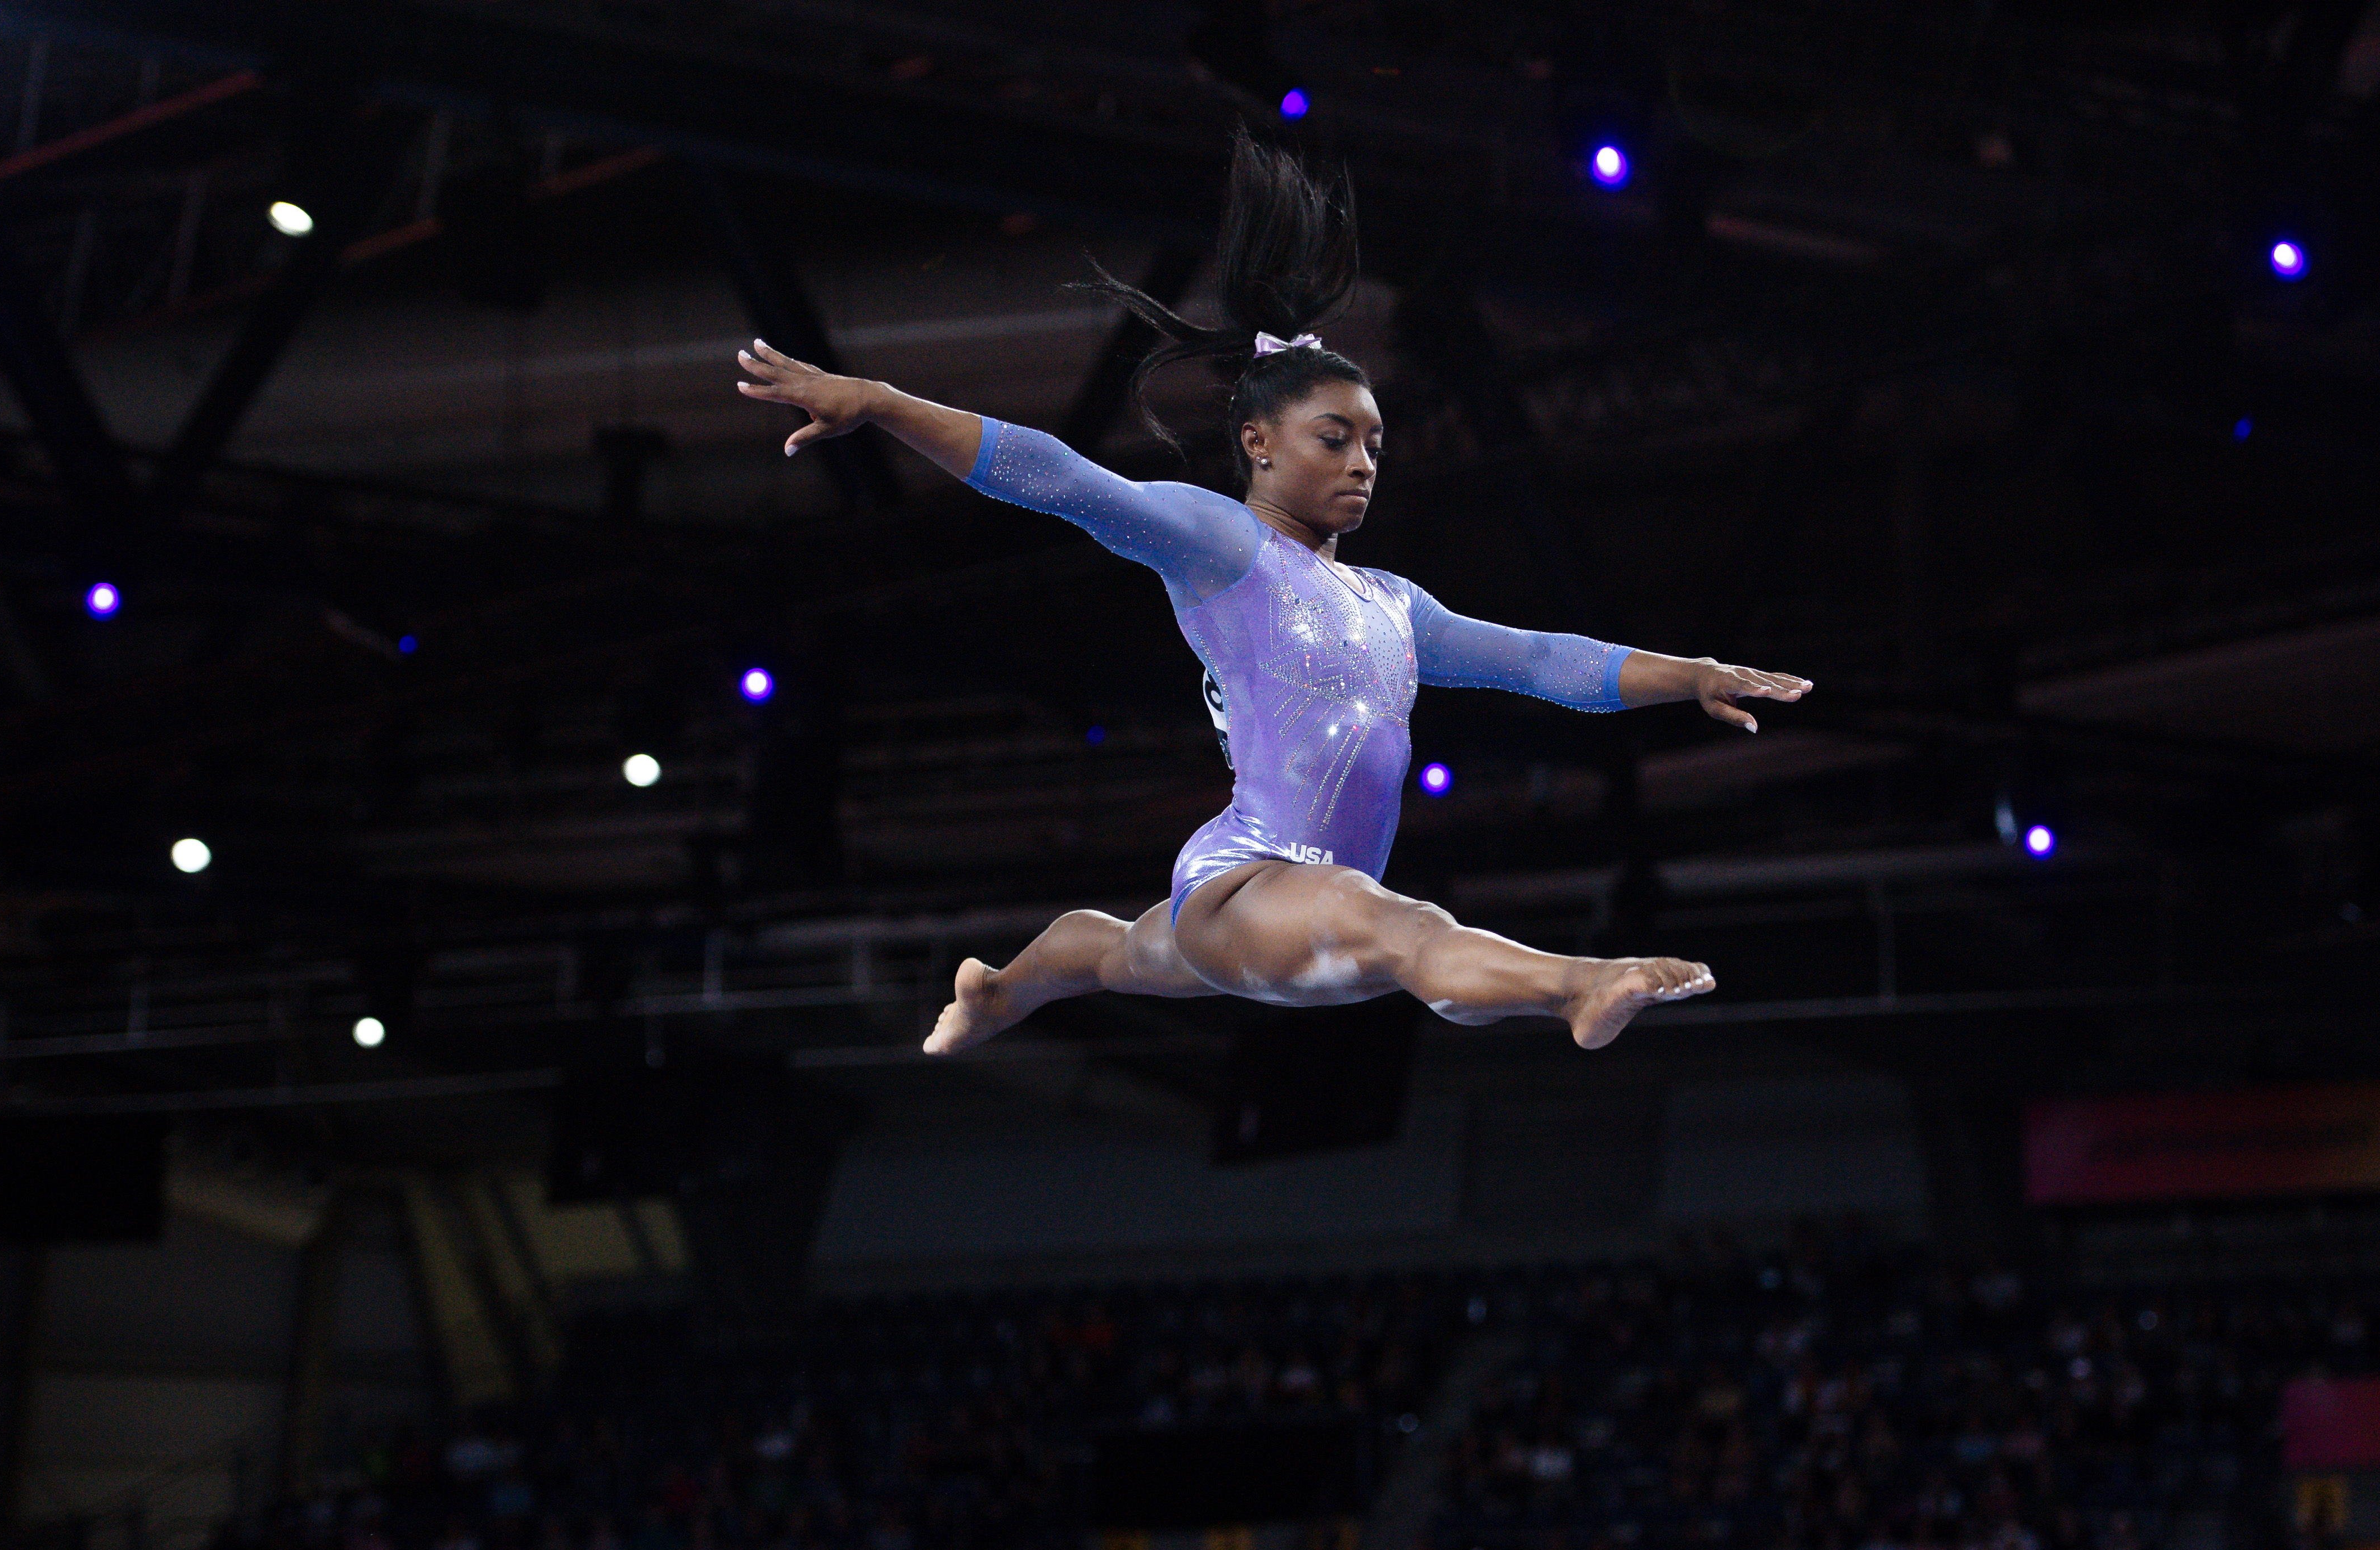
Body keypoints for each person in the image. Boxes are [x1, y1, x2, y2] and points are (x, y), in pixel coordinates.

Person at [732, 135, 1808, 1054]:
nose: (1363, 464)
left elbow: (1539, 661)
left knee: (1111, 952)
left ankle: (997, 991)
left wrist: (1691, 675)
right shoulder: (1222, 546)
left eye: (1375, 445)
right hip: (1259, 882)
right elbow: (1061, 479)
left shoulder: (1393, 604)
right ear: (1256, 443)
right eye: (1333, 439)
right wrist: (879, 399)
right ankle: (1577, 986)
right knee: (1400, 928)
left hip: (1262, 905)